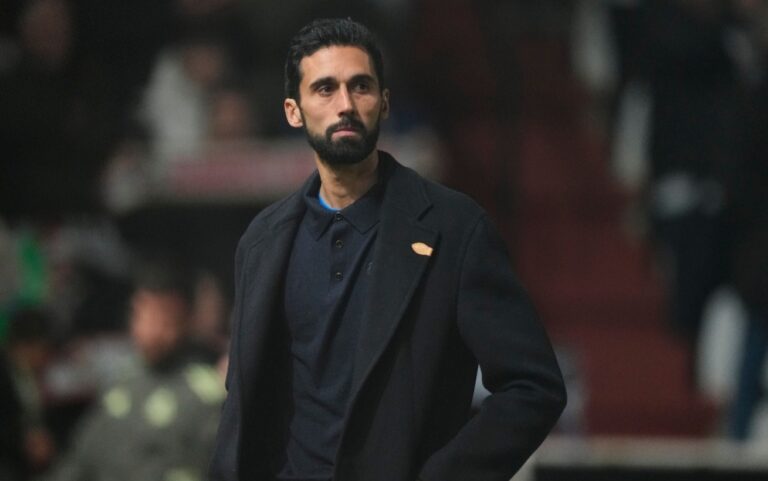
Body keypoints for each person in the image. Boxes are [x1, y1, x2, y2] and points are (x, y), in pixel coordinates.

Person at [209, 18, 566, 481]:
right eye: (325, 89)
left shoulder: (455, 229)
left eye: (361, 86)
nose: (345, 104)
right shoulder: (262, 241)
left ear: (384, 103)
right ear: (294, 112)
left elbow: (533, 387)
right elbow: (243, 399)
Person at [44, 264, 224, 481]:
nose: (148, 329)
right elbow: (80, 459)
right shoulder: (121, 380)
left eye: (162, 318)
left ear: (185, 320)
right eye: (140, 314)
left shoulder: (205, 395)